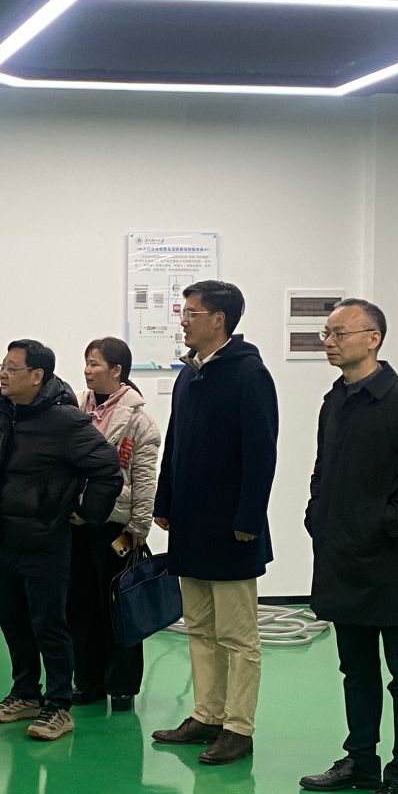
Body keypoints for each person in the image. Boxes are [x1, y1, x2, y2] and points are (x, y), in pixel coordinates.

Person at [296, 300, 398, 794]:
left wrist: (383, 522)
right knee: (355, 670)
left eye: (339, 333)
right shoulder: (334, 402)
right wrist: (318, 514)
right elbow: (324, 470)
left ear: (374, 338)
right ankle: (361, 760)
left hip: (393, 563)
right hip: (342, 557)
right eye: (326, 333)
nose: (329, 341)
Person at [150, 281, 278, 766]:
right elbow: (175, 445)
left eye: (191, 313)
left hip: (232, 528)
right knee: (200, 627)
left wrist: (249, 518)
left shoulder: (249, 374)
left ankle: (238, 727)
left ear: (218, 320)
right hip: (190, 523)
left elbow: (261, 452)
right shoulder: (190, 374)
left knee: (238, 636)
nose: (183, 320)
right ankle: (207, 714)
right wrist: (164, 501)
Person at [0, 340, 123, 742]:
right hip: (3, 538)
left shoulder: (64, 421)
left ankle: (58, 705)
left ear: (37, 376)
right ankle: (25, 693)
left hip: (43, 541)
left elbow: (107, 468)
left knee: (49, 624)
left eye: (12, 368)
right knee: (13, 620)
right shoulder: (0, 413)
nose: (3, 374)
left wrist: (87, 513)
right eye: (2, 366)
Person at [68, 338, 162, 714]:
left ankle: (122, 685)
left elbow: (144, 479)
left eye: (94, 364)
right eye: (86, 363)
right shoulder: (74, 408)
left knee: (120, 607)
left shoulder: (138, 421)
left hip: (115, 527)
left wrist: (139, 526)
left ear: (117, 370)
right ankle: (87, 680)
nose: (87, 370)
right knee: (79, 605)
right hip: (76, 524)